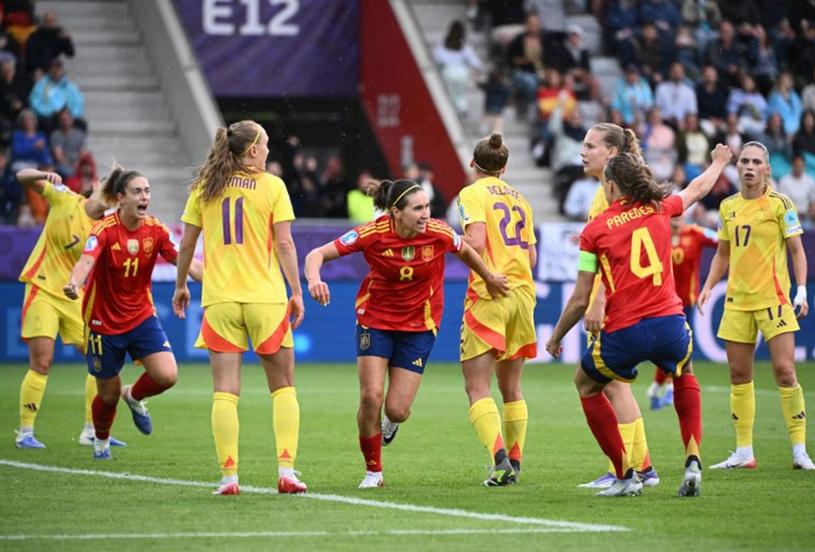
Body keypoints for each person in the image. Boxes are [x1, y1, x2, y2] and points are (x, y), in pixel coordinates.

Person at [547, 143, 733, 497]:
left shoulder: (595, 232)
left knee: (587, 385)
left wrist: (557, 336)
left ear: (613, 186)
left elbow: (580, 298)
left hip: (625, 332)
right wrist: (719, 162)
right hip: (669, 324)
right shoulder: (660, 207)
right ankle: (692, 460)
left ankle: (624, 474)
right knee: (684, 373)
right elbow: (696, 190)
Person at [305, 179, 509, 489]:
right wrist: (314, 279)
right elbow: (316, 254)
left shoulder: (438, 232)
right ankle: (374, 472)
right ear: (396, 212)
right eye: (418, 208)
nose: (426, 213)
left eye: (427, 206)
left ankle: (390, 424)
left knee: (397, 410)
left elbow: (465, 250)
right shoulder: (372, 233)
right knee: (371, 396)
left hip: (419, 325)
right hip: (375, 319)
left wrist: (489, 276)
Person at [172, 120, 307, 496]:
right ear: (251, 151)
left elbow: (186, 245)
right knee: (283, 388)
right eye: (265, 145)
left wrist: (182, 284)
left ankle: (229, 477)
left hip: (220, 300)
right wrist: (296, 290)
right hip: (266, 299)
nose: (268, 151)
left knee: (225, 392)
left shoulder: (206, 187)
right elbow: (284, 246)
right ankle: (286, 472)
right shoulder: (272, 186)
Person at [64, 166, 201, 460]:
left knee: (167, 375)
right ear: (120, 198)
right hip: (103, 322)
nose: (145, 197)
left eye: (148, 191)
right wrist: (74, 283)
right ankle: (101, 441)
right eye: (137, 191)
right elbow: (86, 261)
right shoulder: (103, 229)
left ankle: (135, 396)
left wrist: (219, 282)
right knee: (107, 395)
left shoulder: (155, 230)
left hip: (141, 316)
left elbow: (186, 262)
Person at [698, 141, 815, 472]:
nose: (749, 167)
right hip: (737, 301)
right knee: (739, 375)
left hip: (775, 300)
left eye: (756, 162)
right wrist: (708, 287)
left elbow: (797, 250)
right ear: (738, 168)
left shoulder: (781, 204)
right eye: (745, 161)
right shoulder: (727, 207)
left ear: (767, 169)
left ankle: (799, 450)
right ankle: (743, 452)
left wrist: (803, 290)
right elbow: (722, 253)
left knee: (785, 371)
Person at [575, 123, 661, 490]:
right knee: (614, 385)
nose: (583, 151)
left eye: (590, 145)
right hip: (625, 300)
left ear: (611, 154)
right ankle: (639, 467)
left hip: (614, 303)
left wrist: (597, 301)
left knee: (606, 384)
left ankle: (635, 469)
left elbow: (615, 257)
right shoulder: (606, 193)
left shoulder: (607, 199)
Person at [14, 167, 124, 449]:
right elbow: (21, 177)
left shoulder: (103, 230)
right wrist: (43, 173)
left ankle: (91, 430)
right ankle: (25, 431)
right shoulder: (65, 199)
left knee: (100, 361)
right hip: (43, 289)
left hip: (76, 297)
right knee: (42, 361)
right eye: (107, 187)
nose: (109, 197)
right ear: (96, 187)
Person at [457, 133, 537, 486]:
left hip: (490, 292)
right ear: (504, 168)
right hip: (523, 294)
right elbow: (532, 257)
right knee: (513, 387)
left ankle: (498, 459)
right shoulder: (522, 199)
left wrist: (451, 243)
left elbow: (474, 242)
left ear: (473, 164)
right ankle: (515, 461)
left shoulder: (471, 194)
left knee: (477, 386)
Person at [647, 219, 718, 410]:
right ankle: (664, 387)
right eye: (673, 217)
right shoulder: (657, 232)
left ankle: (659, 387)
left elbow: (722, 240)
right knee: (670, 346)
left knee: (673, 346)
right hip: (662, 301)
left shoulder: (696, 233)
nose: (677, 221)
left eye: (680, 216)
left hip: (685, 302)